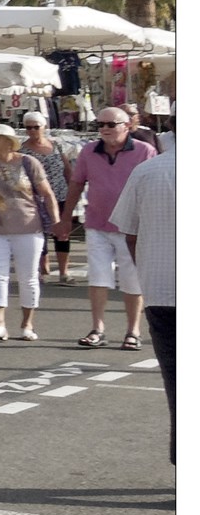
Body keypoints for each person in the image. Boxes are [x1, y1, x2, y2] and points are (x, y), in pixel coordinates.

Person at [109, 133, 176, 461]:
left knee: (177, 387)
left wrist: (147, 270)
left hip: (163, 290)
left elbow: (129, 232)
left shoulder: (148, 171)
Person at [64, 107, 155, 349]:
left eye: (111, 124)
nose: (104, 128)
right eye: (100, 124)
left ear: (127, 126)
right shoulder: (88, 151)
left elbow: (151, 187)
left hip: (132, 228)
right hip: (97, 223)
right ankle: (98, 329)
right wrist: (65, 218)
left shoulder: (144, 151)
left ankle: (133, 331)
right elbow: (76, 183)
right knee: (98, 277)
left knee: (132, 280)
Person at [0, 124, 59, 344]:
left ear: (9, 142)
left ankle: (27, 324)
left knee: (28, 277)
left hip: (29, 227)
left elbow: (47, 195)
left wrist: (56, 221)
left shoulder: (29, 163)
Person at [22, 109, 77, 284]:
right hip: (36, 198)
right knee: (39, 235)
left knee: (62, 234)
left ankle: (63, 272)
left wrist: (72, 193)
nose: (32, 131)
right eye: (28, 128)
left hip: (60, 195)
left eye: (36, 127)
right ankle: (42, 271)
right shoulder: (23, 150)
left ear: (44, 127)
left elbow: (67, 169)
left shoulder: (56, 145)